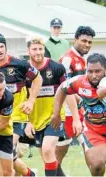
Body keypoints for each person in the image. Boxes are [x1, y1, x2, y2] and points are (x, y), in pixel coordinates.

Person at [51, 53, 106, 176]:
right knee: (96, 165)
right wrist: (56, 114)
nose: (93, 75)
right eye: (90, 71)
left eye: (98, 71)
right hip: (94, 131)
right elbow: (62, 89)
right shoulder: (80, 81)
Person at [0, 33, 42, 176]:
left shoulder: (20, 64)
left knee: (3, 158)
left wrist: (31, 101)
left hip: (16, 116)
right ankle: (30, 174)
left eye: (2, 46)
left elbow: (38, 79)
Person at [24, 37, 80, 176]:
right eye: (34, 49)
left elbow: (68, 92)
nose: (38, 52)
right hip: (35, 120)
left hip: (54, 117)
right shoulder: (23, 70)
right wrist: (27, 122)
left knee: (48, 150)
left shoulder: (56, 68)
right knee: (47, 158)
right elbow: (21, 98)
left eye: (40, 49)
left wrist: (76, 118)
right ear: (28, 51)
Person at [56, 26, 96, 176]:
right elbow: (66, 89)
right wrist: (77, 112)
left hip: (82, 111)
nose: (87, 44)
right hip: (67, 113)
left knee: (89, 147)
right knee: (59, 152)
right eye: (84, 41)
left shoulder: (85, 60)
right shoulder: (67, 59)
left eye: (90, 42)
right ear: (75, 39)